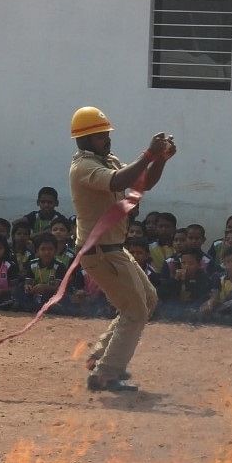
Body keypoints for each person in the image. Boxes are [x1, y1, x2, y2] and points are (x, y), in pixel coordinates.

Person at [68, 106, 174, 392]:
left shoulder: (105, 159)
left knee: (147, 300)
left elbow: (140, 183)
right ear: (84, 140)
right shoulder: (84, 167)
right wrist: (149, 155)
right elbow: (119, 181)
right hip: (101, 254)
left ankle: (102, 356)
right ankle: (106, 374)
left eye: (105, 134)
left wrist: (160, 160)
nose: (106, 139)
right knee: (135, 311)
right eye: (100, 136)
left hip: (113, 250)